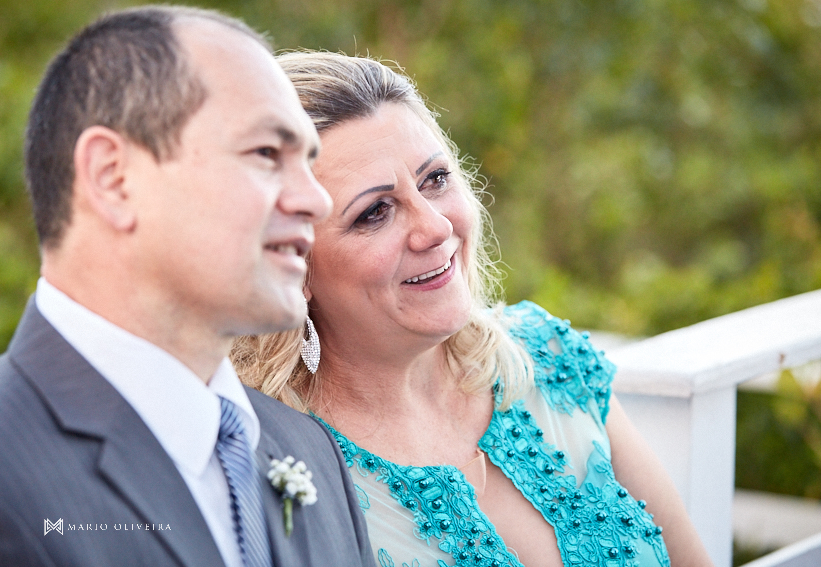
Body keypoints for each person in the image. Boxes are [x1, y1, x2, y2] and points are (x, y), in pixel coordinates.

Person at [231, 52, 714, 567]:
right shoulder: (274, 473)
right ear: (291, 263)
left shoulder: (549, 357)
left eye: (435, 179)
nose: (436, 227)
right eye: (375, 212)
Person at [0, 9, 375, 567]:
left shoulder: (310, 451)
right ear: (113, 177)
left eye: (307, 161)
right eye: (265, 154)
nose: (316, 200)